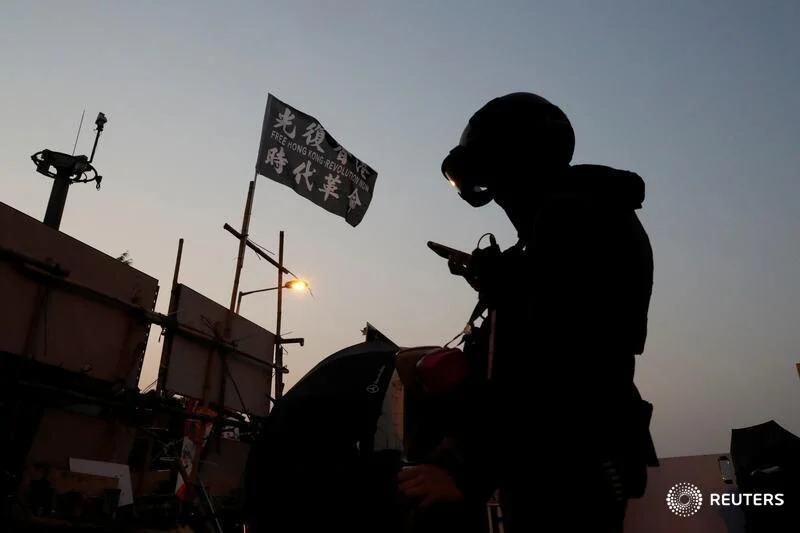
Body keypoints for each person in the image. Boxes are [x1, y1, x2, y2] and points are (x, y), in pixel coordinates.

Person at [398, 92, 658, 532]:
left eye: (497, 182)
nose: (498, 199)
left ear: (520, 165)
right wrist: (500, 274)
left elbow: (550, 367)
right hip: (571, 458)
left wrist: (465, 472)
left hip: (567, 464)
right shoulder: (584, 214)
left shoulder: (573, 217)